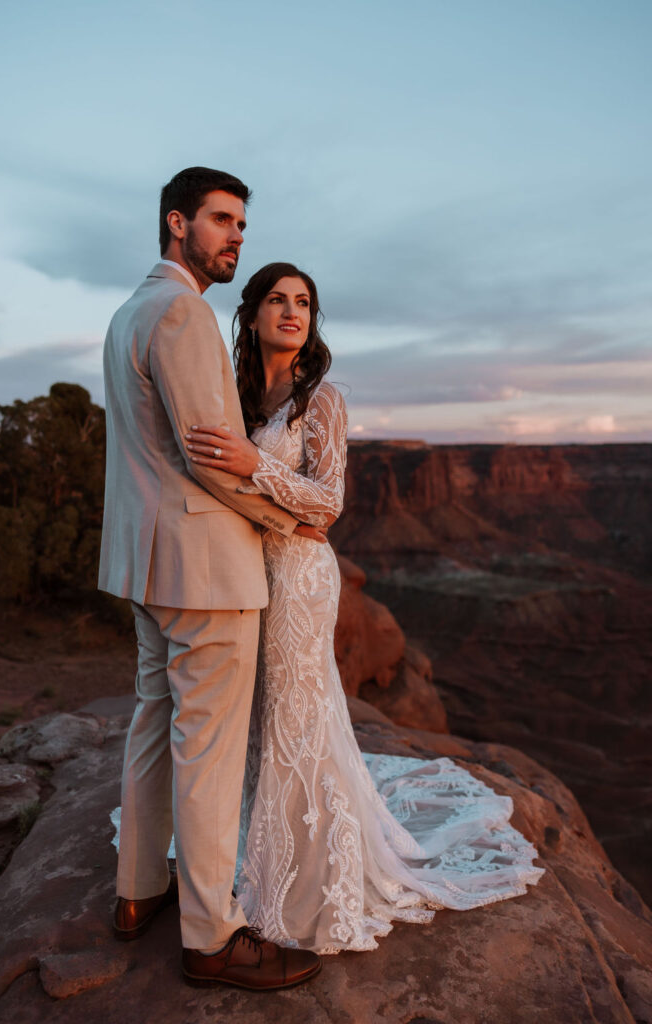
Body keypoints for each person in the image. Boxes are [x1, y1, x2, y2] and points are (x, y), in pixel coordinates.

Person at [183, 262, 545, 953]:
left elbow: (328, 503)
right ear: (251, 314)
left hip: (295, 579)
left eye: (305, 303)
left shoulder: (322, 399)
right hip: (239, 574)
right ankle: (247, 851)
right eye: (278, 300)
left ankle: (300, 878)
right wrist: (261, 485)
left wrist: (252, 466)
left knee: (293, 717)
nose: (292, 312)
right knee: (255, 718)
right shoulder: (234, 394)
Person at [98, 169, 323, 989]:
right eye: (221, 221)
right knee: (210, 750)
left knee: (154, 720)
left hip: (145, 562)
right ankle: (210, 936)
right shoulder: (184, 313)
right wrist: (285, 519)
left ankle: (136, 892)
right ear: (176, 222)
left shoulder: (128, 310)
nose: (234, 237)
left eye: (240, 225)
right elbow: (211, 459)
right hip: (205, 571)